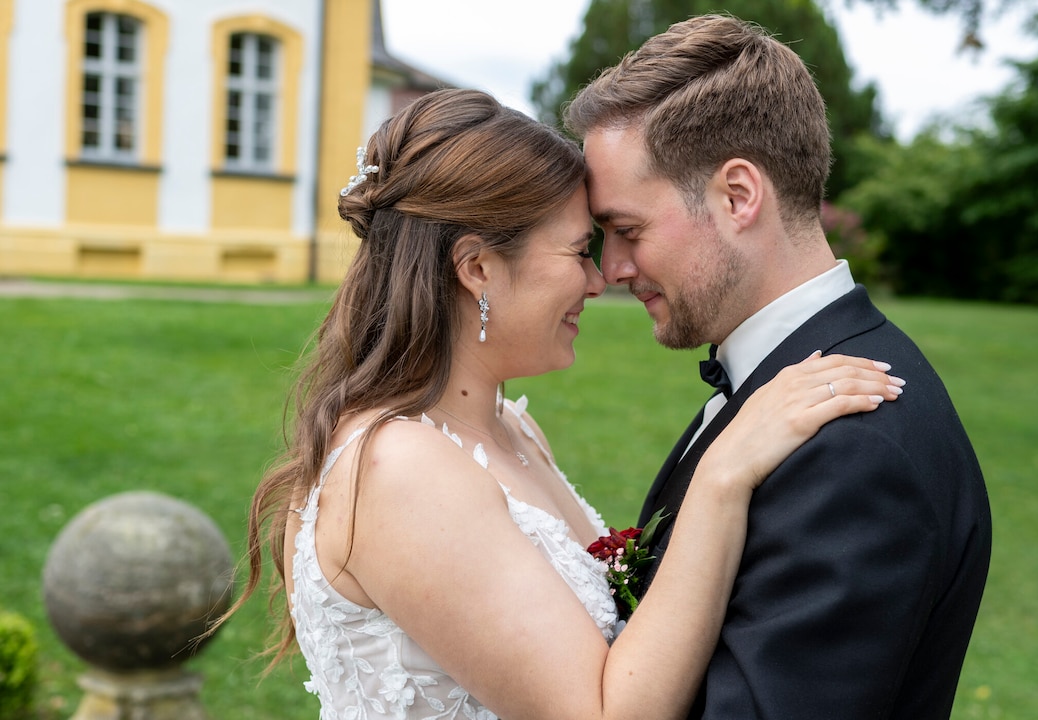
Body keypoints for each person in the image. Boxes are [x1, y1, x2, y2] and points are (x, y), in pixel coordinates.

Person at [224, 88, 902, 720]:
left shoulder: (512, 429)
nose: (600, 278)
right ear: (478, 267)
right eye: (580, 250)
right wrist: (723, 478)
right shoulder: (400, 471)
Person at [563, 13, 992, 720]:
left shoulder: (853, 451)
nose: (611, 270)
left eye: (627, 230)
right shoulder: (783, 385)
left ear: (738, 196)